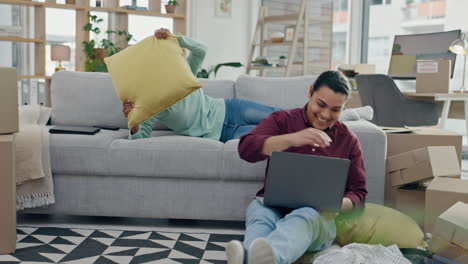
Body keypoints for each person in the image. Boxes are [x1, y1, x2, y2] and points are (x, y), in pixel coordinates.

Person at [225, 71, 368, 264]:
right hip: (271, 206)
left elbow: (359, 193)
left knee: (306, 214)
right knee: (261, 215)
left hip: (316, 217)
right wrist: (292, 139)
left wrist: (335, 204)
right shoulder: (282, 120)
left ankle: (262, 258)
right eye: (321, 104)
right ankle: (251, 258)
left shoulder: (348, 139)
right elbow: (246, 148)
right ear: (310, 92)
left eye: (335, 110)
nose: (325, 115)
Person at [122, 28, 281, 142]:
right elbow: (139, 137)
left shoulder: (183, 73)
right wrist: (134, 121)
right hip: (223, 134)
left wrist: (177, 39)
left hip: (231, 109)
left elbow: (201, 51)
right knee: (279, 134)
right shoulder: (150, 103)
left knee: (285, 117)